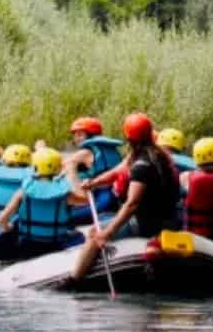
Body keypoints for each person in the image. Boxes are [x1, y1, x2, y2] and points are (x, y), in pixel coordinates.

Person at [72, 113, 180, 282]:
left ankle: (75, 279)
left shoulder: (141, 166)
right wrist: (93, 183)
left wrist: (108, 232)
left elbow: (132, 204)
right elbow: (117, 172)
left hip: (149, 225)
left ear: (129, 137)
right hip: (170, 219)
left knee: (94, 233)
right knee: (102, 227)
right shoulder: (159, 155)